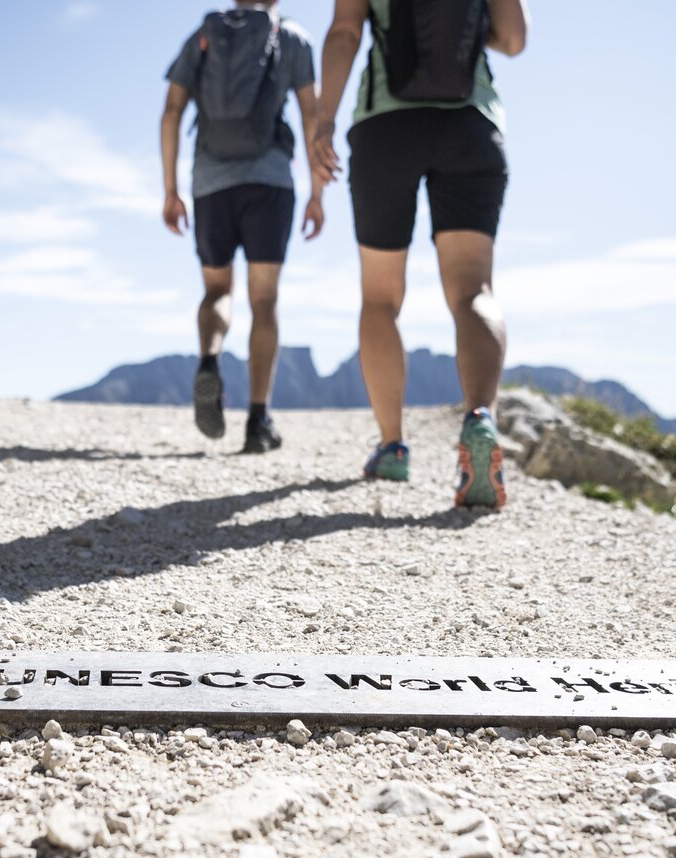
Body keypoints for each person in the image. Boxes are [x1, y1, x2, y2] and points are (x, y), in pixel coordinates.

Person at [310, 0, 527, 508]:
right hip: (471, 127)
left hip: (386, 129)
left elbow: (345, 33)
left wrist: (323, 121)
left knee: (380, 296)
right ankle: (480, 420)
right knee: (473, 289)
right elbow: (514, 39)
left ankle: (391, 447)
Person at [161, 1, 325, 454]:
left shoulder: (206, 33)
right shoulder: (290, 37)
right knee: (264, 300)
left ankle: (210, 360)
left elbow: (172, 110)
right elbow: (312, 114)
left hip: (210, 184)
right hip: (269, 183)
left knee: (217, 292)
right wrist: (317, 192)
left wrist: (170, 190)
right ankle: (258, 421)